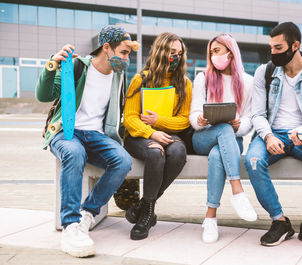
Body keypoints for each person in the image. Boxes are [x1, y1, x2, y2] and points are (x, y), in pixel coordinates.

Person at [35, 25, 139, 257]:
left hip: (96, 136)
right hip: (66, 132)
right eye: (123, 52)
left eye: (128, 53)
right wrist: (52, 64)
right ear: (106, 48)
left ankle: (87, 214)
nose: (127, 58)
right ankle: (70, 225)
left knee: (122, 160)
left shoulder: (118, 76)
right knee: (74, 153)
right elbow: (43, 95)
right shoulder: (76, 66)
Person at [244, 22, 302, 249]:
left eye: (278, 48)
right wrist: (268, 137)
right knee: (252, 160)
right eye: (271, 48)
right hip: (273, 133)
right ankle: (280, 221)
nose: (273, 53)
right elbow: (257, 114)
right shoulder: (263, 72)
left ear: (295, 45)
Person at [123, 32, 192, 240]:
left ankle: (145, 207)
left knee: (179, 151)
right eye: (172, 52)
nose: (176, 57)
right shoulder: (140, 79)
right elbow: (130, 118)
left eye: (179, 53)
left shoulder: (185, 84)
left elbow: (184, 120)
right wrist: (151, 133)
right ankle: (146, 217)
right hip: (139, 136)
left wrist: (158, 121)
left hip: (168, 133)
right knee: (155, 153)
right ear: (160, 51)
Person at [190, 34, 257, 243]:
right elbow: (192, 116)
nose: (213, 56)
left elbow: (249, 118)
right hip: (202, 138)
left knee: (219, 153)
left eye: (217, 51)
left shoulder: (248, 82)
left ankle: (210, 218)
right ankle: (237, 190)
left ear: (230, 52)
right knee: (222, 130)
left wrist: (240, 125)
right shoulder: (203, 78)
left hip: (230, 140)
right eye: (211, 52)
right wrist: (200, 120)